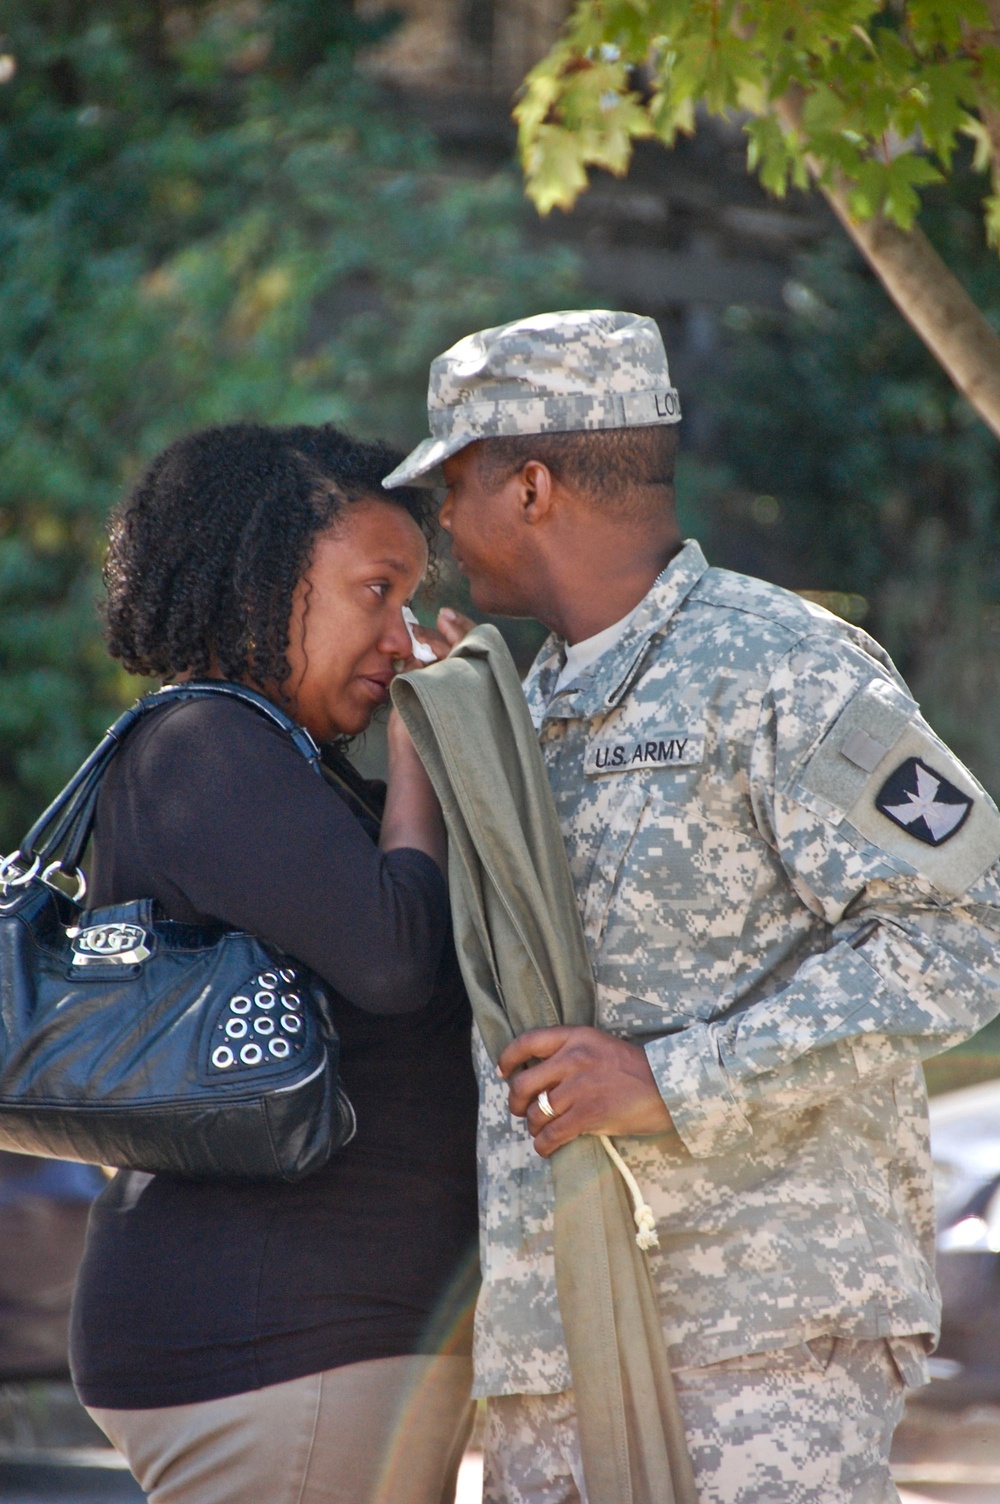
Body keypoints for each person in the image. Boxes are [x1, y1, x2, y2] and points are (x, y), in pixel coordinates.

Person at [383, 309, 1000, 1504]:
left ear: (530, 484)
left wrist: (674, 1078)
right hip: (556, 1346)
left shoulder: (785, 667)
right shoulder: (528, 702)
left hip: (758, 1343)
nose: (441, 525)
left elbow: (967, 930)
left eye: (451, 485)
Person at [69, 422, 477, 1504]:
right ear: (261, 576)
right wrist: (419, 763)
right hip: (281, 1340)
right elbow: (393, 957)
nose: (398, 637)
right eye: (375, 591)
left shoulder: (277, 767)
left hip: (310, 1337)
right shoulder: (207, 748)